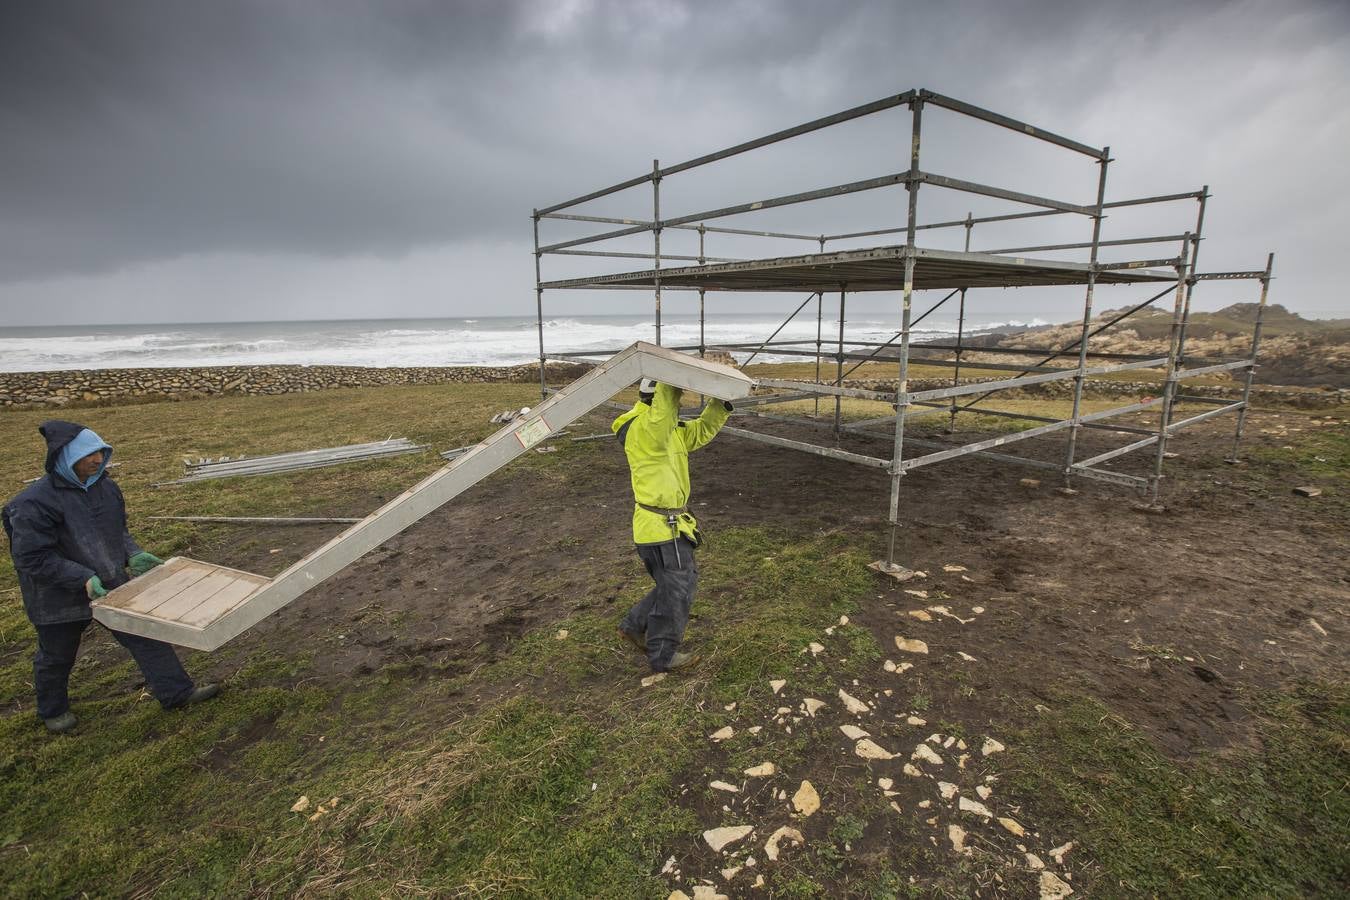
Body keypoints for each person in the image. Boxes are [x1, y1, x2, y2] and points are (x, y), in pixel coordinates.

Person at [2, 420, 218, 733]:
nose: (97, 460)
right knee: (57, 655)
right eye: (89, 454)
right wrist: (81, 577)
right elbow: (31, 557)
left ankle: (177, 693)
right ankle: (53, 710)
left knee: (145, 635)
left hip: (110, 582)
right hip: (56, 596)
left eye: (101, 453)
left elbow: (116, 532)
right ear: (63, 457)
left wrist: (132, 553)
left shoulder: (104, 486)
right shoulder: (33, 503)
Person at [611, 378, 732, 673]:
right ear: (658, 399)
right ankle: (663, 655)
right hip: (660, 528)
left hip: (667, 526)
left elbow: (700, 432)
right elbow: (663, 412)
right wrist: (672, 381)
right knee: (679, 588)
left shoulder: (667, 430)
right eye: (675, 400)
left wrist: (721, 402)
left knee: (674, 583)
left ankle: (633, 625)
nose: (678, 405)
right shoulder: (644, 429)